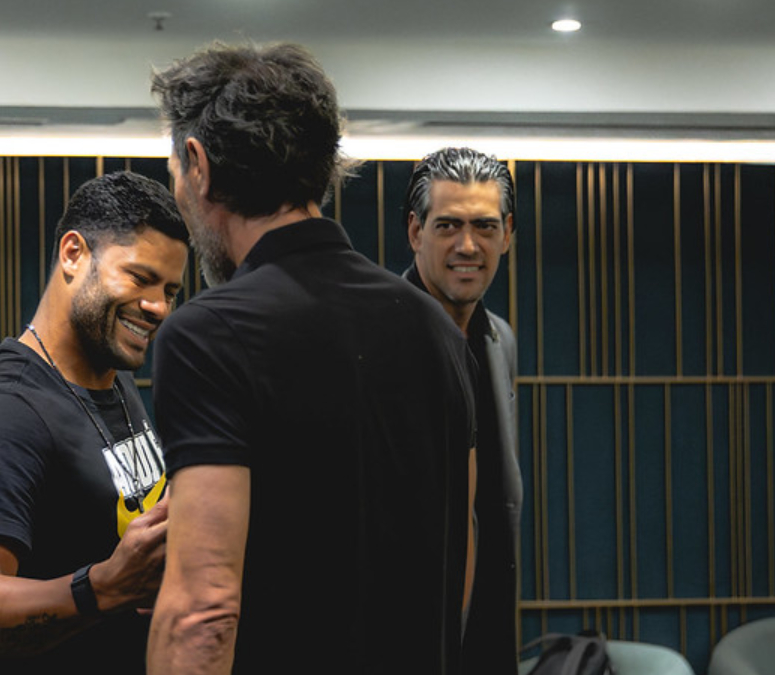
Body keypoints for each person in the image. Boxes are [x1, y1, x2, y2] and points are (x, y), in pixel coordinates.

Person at [146, 42, 478, 674]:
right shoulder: (435, 328)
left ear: (198, 163)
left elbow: (203, 613)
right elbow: (460, 553)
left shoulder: (208, 335)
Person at [0, 171, 189, 674]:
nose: (158, 306)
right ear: (73, 254)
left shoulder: (110, 378)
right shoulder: (5, 412)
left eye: (170, 289)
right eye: (139, 278)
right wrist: (106, 586)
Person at [403, 147, 521, 675]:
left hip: (488, 631)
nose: (468, 245)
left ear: (508, 234)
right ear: (415, 232)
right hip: (406, 636)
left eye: (485, 226)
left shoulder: (502, 340)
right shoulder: (379, 337)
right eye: (448, 225)